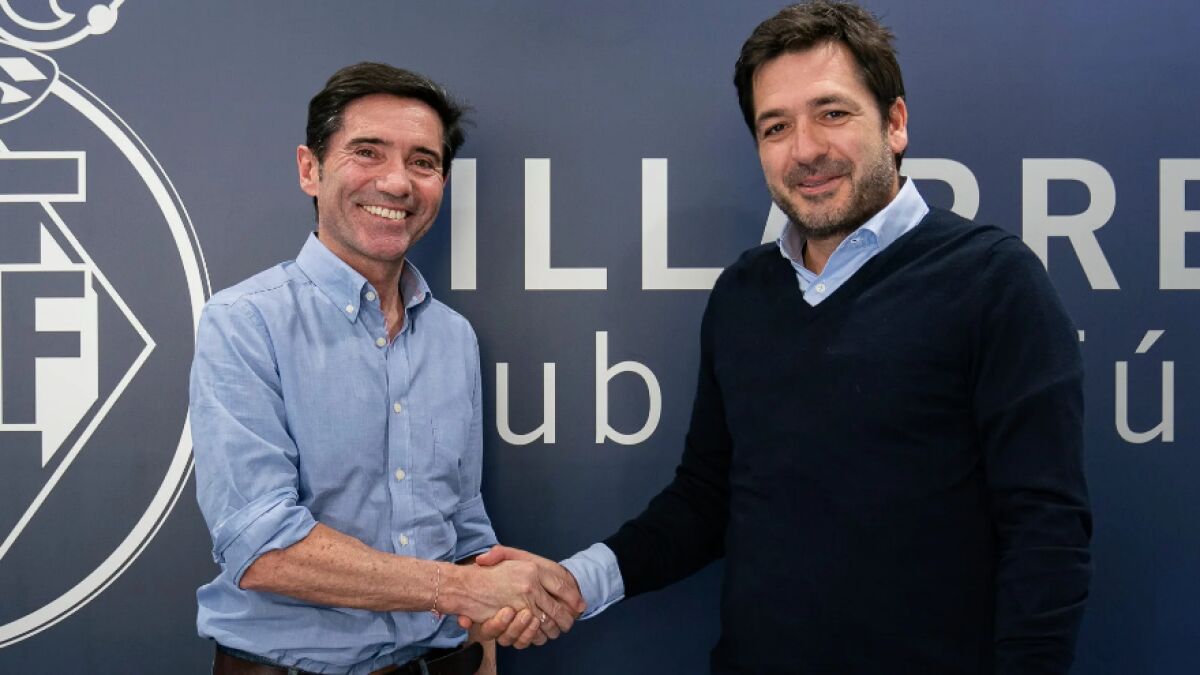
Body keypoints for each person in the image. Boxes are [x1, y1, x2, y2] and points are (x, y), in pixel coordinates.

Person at [472, 2, 1093, 672]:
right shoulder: (743, 294)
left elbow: (1046, 529)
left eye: (832, 113)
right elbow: (707, 498)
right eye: (776, 127)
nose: (805, 150)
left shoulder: (994, 279)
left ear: (895, 123)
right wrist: (573, 582)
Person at [190, 62, 583, 675]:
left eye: (423, 162)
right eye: (367, 152)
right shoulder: (245, 321)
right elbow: (262, 547)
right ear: (310, 169)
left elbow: (464, 526)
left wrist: (492, 625)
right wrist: (459, 590)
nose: (397, 182)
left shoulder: (453, 338)